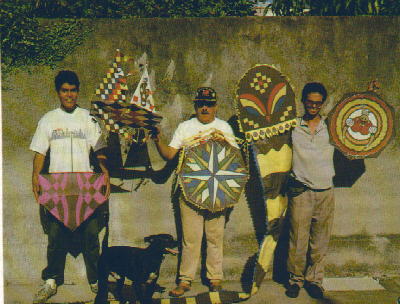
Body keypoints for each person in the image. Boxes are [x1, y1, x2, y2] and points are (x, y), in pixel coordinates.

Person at [30, 70, 110, 302]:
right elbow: (39, 152)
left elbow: (100, 150)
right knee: (55, 237)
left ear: (77, 92)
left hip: (86, 187)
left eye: (73, 90)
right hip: (57, 188)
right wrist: (35, 178)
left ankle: (96, 280)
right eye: (65, 90)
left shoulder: (88, 118)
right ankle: (51, 280)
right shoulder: (48, 119)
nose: (69, 95)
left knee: (91, 237)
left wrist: (105, 173)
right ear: (58, 92)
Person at [153, 87, 238, 296]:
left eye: (209, 104)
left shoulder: (224, 127)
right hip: (189, 191)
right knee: (190, 239)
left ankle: (215, 277)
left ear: (216, 106)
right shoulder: (185, 127)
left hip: (217, 191)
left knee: (214, 237)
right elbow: (170, 155)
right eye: (201, 104)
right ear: (195, 105)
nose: (205, 107)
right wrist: (157, 140)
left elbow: (235, 161)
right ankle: (185, 280)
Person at [285, 82, 334, 299]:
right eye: (310, 102)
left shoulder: (332, 126)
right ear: (303, 101)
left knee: (320, 240)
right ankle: (295, 280)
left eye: (318, 103)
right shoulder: (293, 126)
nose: (313, 106)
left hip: (325, 190)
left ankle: (314, 280)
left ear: (323, 103)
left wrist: (371, 95)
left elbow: (359, 114)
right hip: (301, 190)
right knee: (298, 239)